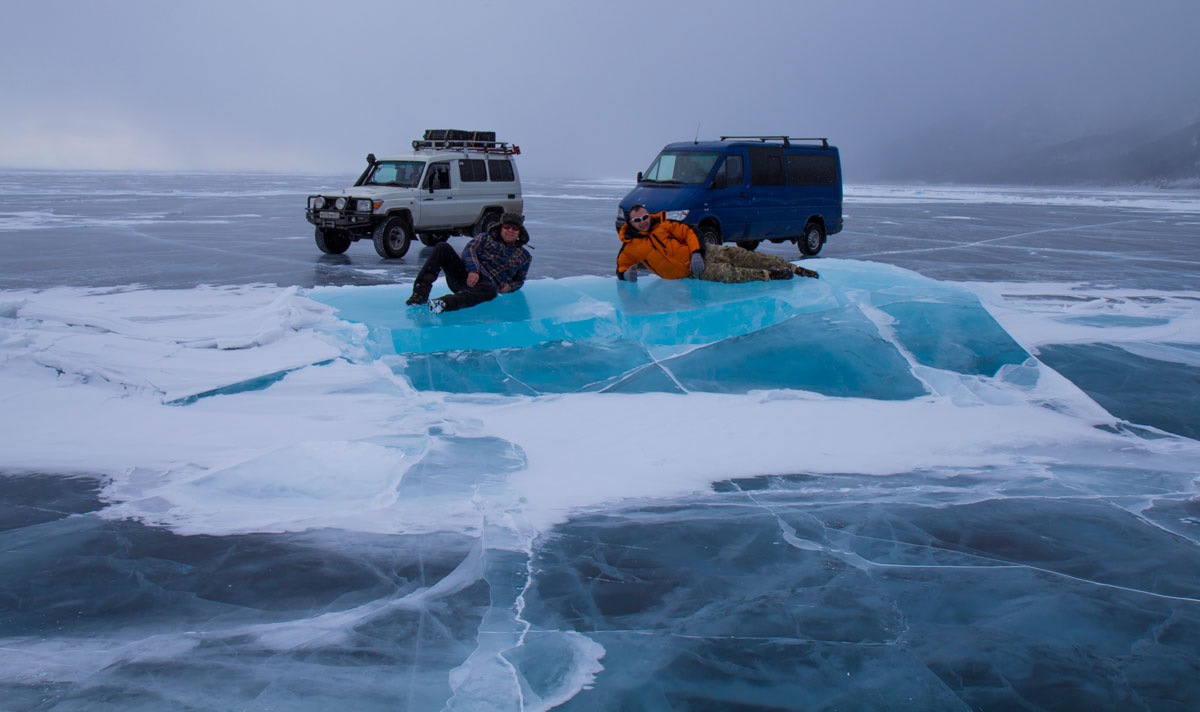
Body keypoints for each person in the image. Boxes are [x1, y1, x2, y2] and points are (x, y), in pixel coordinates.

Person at [616, 204, 818, 283]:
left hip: (703, 253)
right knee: (729, 273)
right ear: (630, 222)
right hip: (692, 271)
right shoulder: (630, 246)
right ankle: (772, 275)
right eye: (637, 220)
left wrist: (696, 252)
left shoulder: (663, 224)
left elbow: (689, 231)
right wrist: (626, 274)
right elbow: (621, 266)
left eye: (644, 217)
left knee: (745, 256)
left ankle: (792, 267)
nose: (643, 222)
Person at [406, 212, 532, 313]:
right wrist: (474, 270)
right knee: (442, 247)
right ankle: (419, 294)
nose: (510, 230)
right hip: (464, 276)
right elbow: (469, 250)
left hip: (485, 286)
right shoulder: (484, 238)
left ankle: (443, 304)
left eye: (514, 228)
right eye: (507, 227)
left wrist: (510, 287)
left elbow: (519, 280)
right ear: (501, 228)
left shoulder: (525, 257)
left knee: (491, 290)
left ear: (520, 232)